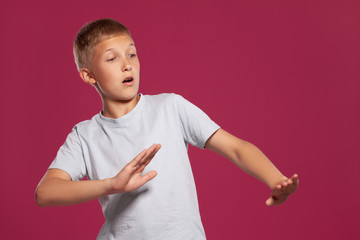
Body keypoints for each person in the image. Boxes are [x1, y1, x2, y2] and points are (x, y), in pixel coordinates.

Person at [35, 18, 299, 239]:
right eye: (112, 58)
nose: (127, 64)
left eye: (132, 53)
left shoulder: (170, 107)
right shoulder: (84, 135)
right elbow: (45, 193)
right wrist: (111, 185)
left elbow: (236, 148)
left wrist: (276, 179)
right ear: (89, 75)